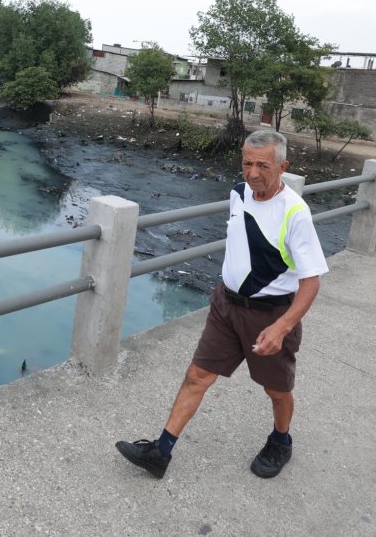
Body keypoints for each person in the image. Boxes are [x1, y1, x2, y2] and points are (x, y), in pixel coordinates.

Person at [116, 129, 328, 480]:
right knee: (197, 375)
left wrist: (283, 326)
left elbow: (311, 280)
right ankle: (161, 451)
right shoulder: (239, 194)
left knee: (277, 389)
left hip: (270, 313)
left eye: (263, 165)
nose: (253, 173)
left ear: (283, 166)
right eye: (247, 163)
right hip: (226, 307)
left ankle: (281, 439)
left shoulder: (296, 213)